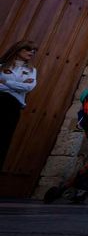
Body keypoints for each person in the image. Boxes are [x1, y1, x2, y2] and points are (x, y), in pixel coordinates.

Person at [0, 40, 38, 169]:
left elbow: (28, 87)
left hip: (13, 107)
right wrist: (17, 86)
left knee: (3, 140)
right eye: (28, 49)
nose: (31, 52)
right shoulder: (2, 66)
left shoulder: (31, 71)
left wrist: (5, 82)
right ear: (18, 49)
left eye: (34, 50)